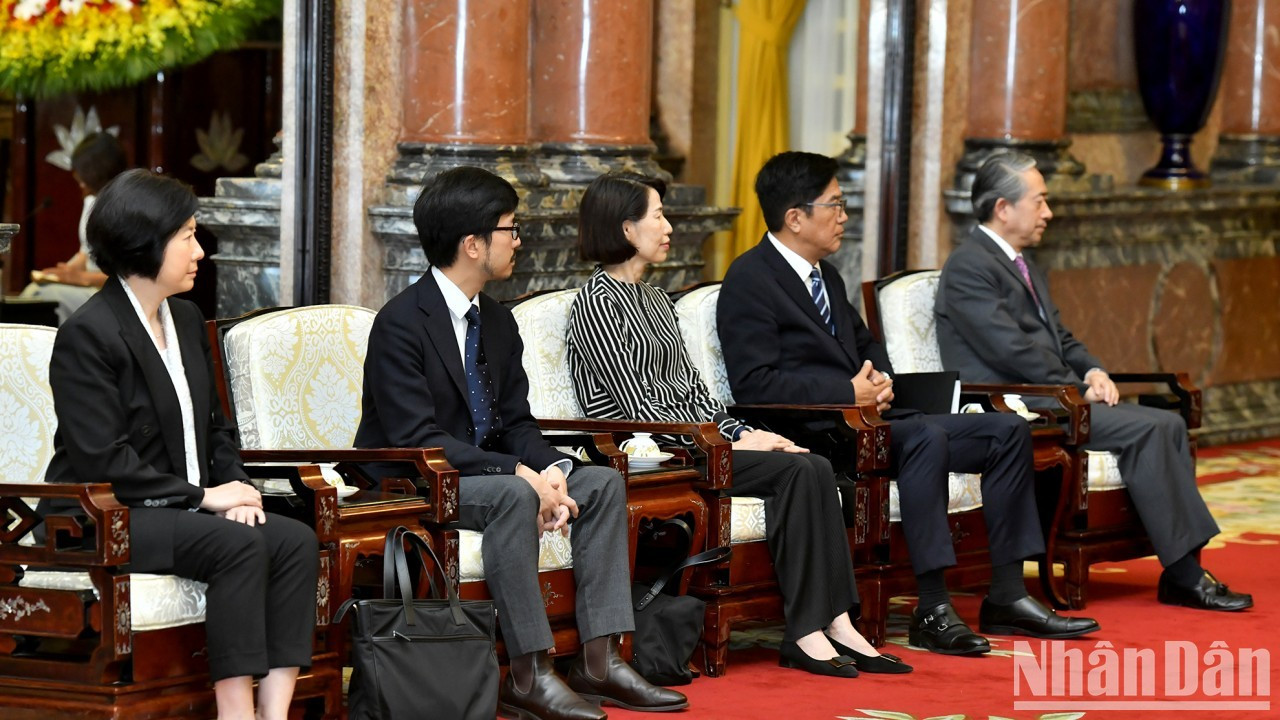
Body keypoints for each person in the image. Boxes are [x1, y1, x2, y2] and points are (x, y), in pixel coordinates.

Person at [717, 151, 1101, 656]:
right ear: (795, 217)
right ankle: (934, 608)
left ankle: (1007, 594)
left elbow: (866, 346)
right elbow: (755, 385)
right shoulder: (750, 280)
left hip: (872, 420)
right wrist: (846, 394)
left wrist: (881, 380)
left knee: (1006, 432)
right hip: (820, 437)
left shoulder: (825, 275)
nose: (844, 216)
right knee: (925, 435)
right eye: (835, 205)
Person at [354, 166, 687, 720]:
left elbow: (515, 421)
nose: (518, 240)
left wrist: (552, 466)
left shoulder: (497, 320)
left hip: (492, 471)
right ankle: (531, 672)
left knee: (601, 481)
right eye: (510, 229)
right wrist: (518, 475)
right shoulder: (402, 323)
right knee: (515, 496)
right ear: (472, 244)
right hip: (422, 477)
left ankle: (601, 660)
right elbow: (417, 437)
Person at [567, 172, 911, 678]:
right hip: (654, 452)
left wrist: (743, 432)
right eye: (657, 215)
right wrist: (730, 438)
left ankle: (835, 621)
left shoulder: (656, 300)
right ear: (624, 229)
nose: (668, 226)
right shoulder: (597, 302)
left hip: (699, 440)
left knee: (809, 465)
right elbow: (637, 407)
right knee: (801, 470)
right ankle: (808, 630)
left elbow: (694, 392)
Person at [40, 169, 318, 720]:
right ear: (146, 242)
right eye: (187, 236)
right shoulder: (89, 334)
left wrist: (235, 485)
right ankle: (235, 710)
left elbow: (216, 427)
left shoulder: (186, 318)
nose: (200, 251)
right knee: (238, 545)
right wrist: (203, 497)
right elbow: (103, 459)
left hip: (182, 508)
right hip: (109, 513)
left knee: (293, 540)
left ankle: (275, 712)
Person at [934, 152, 1251, 613]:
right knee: (1155, 426)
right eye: (1039, 202)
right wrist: (1074, 389)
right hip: (1015, 408)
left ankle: (1183, 571)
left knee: (1168, 422)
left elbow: (1059, 337)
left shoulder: (1020, 263)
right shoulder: (970, 266)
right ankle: (1184, 575)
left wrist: (1092, 370)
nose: (1049, 213)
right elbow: (1011, 351)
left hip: (1054, 397)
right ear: (1003, 208)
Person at [19, 132, 125, 323]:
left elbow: (127, 276)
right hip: (88, 285)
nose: (79, 179)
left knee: (40, 298)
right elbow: (86, 252)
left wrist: (80, 278)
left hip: (111, 293)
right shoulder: (91, 201)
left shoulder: (125, 207)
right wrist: (62, 273)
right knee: (34, 292)